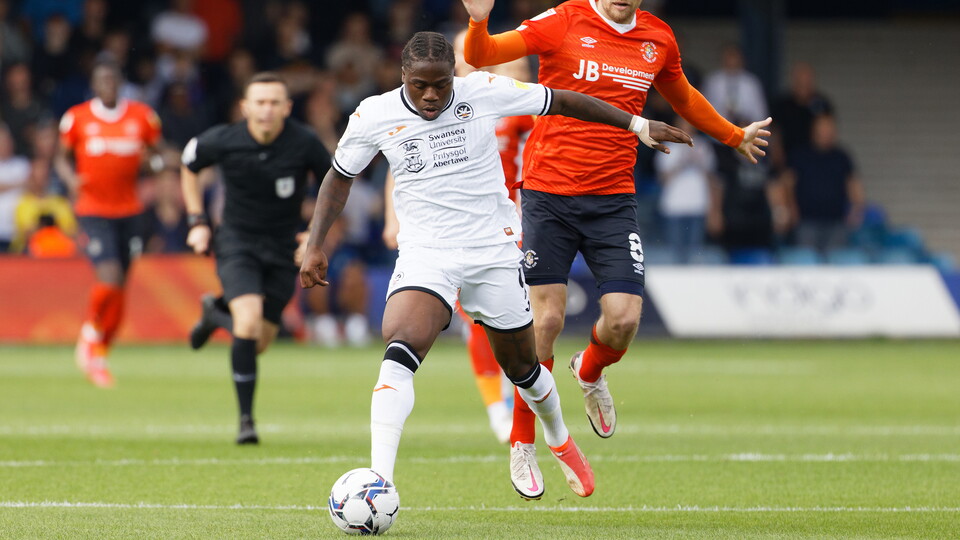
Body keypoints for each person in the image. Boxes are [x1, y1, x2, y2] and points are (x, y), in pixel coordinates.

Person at [299, 31, 692, 500]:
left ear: (453, 77)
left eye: (440, 85)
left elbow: (564, 100)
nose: (430, 95)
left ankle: (558, 437)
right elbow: (338, 179)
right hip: (428, 252)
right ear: (402, 76)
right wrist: (316, 243)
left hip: (492, 251)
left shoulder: (481, 92)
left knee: (523, 366)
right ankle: (379, 481)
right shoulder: (373, 114)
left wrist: (636, 125)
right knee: (400, 347)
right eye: (420, 85)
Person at [460, 0, 771, 496]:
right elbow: (483, 55)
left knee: (624, 320)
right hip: (547, 193)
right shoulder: (563, 20)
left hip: (612, 199)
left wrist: (733, 136)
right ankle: (522, 443)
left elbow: (684, 96)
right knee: (545, 323)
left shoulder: (658, 37)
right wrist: (478, 20)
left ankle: (589, 369)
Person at [181, 72, 331, 444]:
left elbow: (334, 184)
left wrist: (313, 237)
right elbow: (189, 164)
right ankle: (246, 422)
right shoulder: (224, 139)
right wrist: (197, 221)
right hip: (237, 242)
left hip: (283, 249)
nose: (266, 110)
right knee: (246, 326)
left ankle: (214, 313)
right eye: (259, 102)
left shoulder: (305, 142)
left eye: (274, 102)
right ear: (245, 107)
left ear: (287, 107)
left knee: (259, 341)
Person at [55, 60, 164, 388]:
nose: (108, 86)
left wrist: (155, 163)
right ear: (94, 85)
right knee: (110, 276)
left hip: (130, 211)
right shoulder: (77, 118)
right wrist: (68, 178)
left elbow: (158, 157)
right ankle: (90, 333)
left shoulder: (142, 117)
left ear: (120, 83)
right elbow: (61, 157)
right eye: (102, 80)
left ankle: (99, 354)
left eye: (113, 80)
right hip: (92, 209)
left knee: (119, 288)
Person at [783, 113, 864, 254]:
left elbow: (853, 184)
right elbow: (787, 184)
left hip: (836, 222)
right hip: (806, 222)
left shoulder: (841, 156)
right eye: (823, 128)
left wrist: (856, 208)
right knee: (807, 262)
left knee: (836, 265)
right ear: (814, 130)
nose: (827, 132)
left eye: (830, 128)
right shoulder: (800, 155)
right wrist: (791, 209)